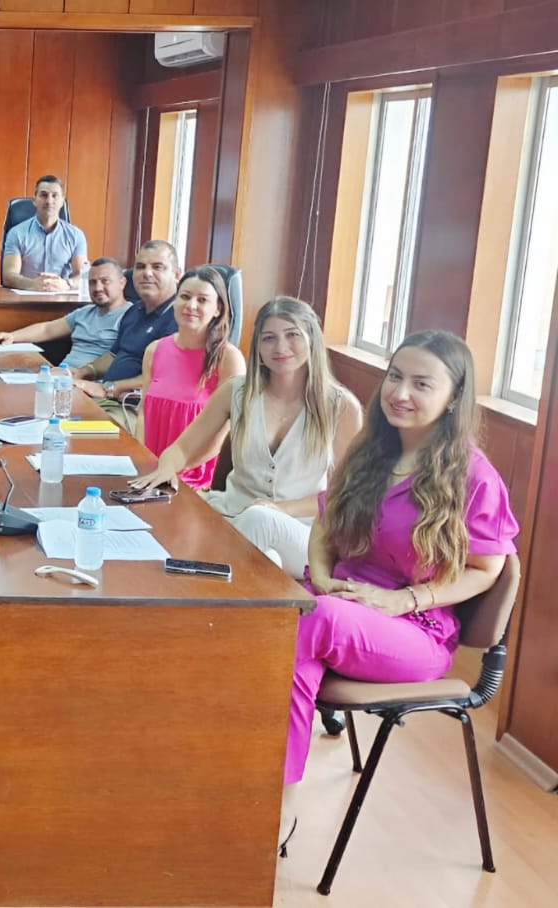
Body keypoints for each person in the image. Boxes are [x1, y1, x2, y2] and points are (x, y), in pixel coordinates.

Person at [280, 330, 518, 851]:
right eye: (395, 376)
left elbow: (487, 569)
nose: (400, 392)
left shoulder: (474, 476)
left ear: (453, 397)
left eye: (421, 383)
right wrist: (322, 574)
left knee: (308, 621)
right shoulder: (370, 451)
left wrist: (404, 600)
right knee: (276, 623)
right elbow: (323, 525)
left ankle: (280, 801)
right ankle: (254, 785)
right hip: (338, 603)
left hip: (415, 631)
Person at [130, 297, 362, 577]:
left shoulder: (341, 407)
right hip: (232, 517)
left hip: (303, 534)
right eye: (269, 338)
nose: (281, 347)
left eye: (292, 335)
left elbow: (344, 496)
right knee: (267, 561)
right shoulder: (237, 392)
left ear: (312, 339)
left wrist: (278, 508)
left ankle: (208, 577)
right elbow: (180, 450)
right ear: (258, 348)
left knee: (259, 519)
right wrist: (166, 468)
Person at [128, 265, 245, 490]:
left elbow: (224, 435)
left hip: (196, 478)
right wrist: (143, 460)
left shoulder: (229, 358)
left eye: (202, 300)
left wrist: (173, 469)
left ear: (218, 309)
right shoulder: (155, 349)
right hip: (149, 471)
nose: (191, 305)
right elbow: (144, 413)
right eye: (185, 297)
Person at [72, 240, 182, 431]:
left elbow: (162, 378)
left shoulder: (179, 318)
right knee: (50, 407)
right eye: (140, 267)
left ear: (176, 274)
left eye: (157, 267)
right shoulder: (134, 311)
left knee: (73, 432)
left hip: (136, 408)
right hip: (108, 398)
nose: (147, 273)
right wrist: (83, 371)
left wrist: (109, 388)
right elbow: (113, 356)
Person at [0, 257, 130, 369]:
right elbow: (47, 329)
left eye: (105, 281)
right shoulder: (84, 313)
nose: (98, 288)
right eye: (92, 282)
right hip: (62, 377)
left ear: (122, 283)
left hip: (92, 383)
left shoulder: (131, 316)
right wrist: (12, 336)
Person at [1, 175, 87, 291]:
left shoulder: (76, 235)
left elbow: (83, 276)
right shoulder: (16, 233)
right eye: (44, 195)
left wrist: (67, 284)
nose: (49, 201)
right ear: (34, 200)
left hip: (62, 298)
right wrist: (33, 284)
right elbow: (8, 276)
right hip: (26, 297)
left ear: (62, 201)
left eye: (55, 195)